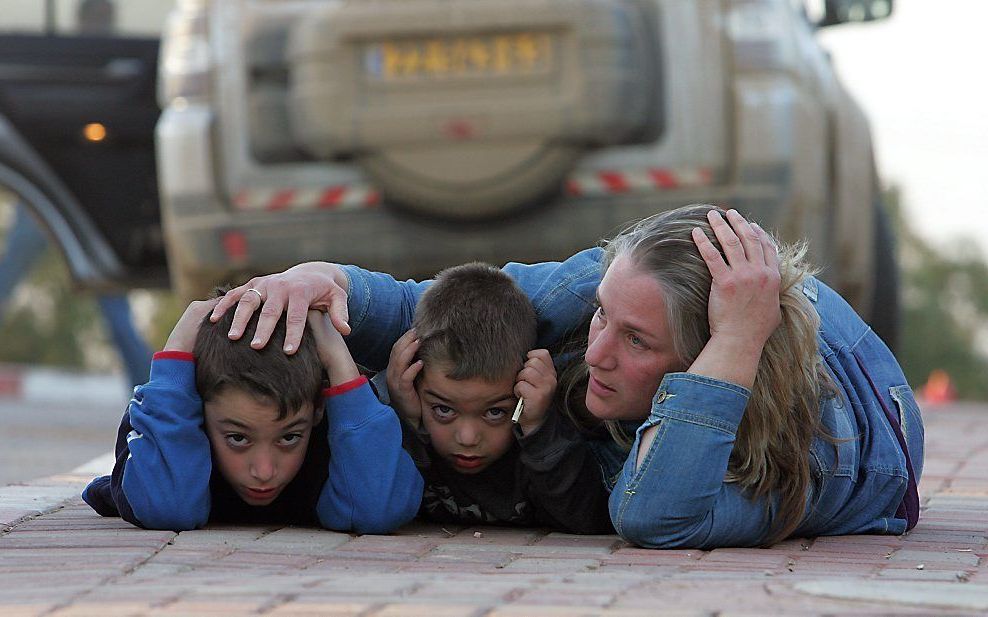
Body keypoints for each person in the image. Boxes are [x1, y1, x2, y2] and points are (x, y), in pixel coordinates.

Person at [210, 204, 924, 549]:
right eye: (604, 315)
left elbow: (654, 514)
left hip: (872, 414)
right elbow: (430, 309)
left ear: (706, 360)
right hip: (714, 280)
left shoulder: (808, 456)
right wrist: (321, 278)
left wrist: (739, 333)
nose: (598, 349)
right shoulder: (599, 295)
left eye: (636, 340)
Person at [82, 290, 423, 532]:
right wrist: (178, 351)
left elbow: (379, 510)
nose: (263, 470)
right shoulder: (166, 421)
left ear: (318, 409)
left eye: (289, 437)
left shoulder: (344, 433)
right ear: (198, 412)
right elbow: (166, 507)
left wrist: (337, 356)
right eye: (237, 439)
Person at [382, 262, 612, 532]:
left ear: (523, 388)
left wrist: (539, 425)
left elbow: (588, 519)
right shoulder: (399, 414)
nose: (467, 438)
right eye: (443, 410)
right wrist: (405, 418)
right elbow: (381, 504)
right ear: (415, 386)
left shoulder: (542, 434)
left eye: (495, 412)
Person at [0, 203, 151, 389]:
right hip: (79, 201)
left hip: (76, 201)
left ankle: (144, 388)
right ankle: (145, 390)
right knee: (114, 305)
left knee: (114, 306)